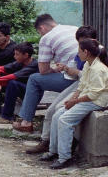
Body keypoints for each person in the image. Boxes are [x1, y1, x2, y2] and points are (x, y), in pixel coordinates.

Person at [24, 26, 98, 153]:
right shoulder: (82, 52)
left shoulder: (99, 54)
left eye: (87, 41)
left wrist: (75, 95)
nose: (84, 45)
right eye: (81, 42)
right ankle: (48, 143)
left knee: (59, 111)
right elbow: (77, 72)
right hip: (79, 83)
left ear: (94, 40)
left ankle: (60, 149)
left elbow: (91, 77)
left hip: (88, 88)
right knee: (52, 110)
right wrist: (66, 68)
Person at [39, 38, 108, 169]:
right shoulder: (89, 64)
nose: (78, 55)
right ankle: (53, 151)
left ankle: (64, 158)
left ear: (86, 52)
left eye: (79, 52)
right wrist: (73, 98)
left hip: (97, 101)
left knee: (65, 120)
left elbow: (94, 95)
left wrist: (75, 101)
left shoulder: (98, 69)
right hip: (86, 98)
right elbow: (82, 85)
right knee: (56, 115)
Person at [13, 14, 80, 133]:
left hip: (74, 78)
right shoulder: (73, 28)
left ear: (42, 28)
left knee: (35, 79)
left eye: (40, 32)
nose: (41, 35)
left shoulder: (47, 37)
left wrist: (54, 69)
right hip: (92, 74)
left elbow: (43, 70)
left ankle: (26, 122)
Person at [0, 42, 38, 122]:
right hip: (19, 88)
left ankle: (7, 117)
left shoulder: (34, 65)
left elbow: (14, 76)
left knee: (11, 83)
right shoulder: (19, 62)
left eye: (17, 54)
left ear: (26, 55)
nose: (15, 57)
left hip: (31, 92)